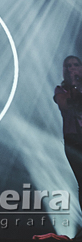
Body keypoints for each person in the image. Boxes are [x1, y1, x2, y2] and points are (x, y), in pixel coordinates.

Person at [54, 56, 82, 194]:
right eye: (68, 66)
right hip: (74, 139)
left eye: (75, 65)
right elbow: (64, 104)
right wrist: (74, 85)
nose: (72, 68)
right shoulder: (61, 90)